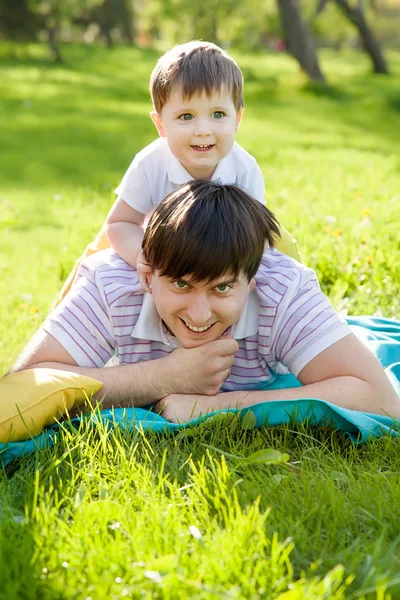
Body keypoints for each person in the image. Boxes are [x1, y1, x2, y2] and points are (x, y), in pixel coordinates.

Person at [13, 181, 400, 423]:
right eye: (181, 284)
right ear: (148, 274)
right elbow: (21, 388)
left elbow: (382, 398)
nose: (199, 315)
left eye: (221, 288)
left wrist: (218, 407)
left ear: (251, 281)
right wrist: (165, 377)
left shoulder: (282, 288)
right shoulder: (111, 283)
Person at [57, 40, 299, 302]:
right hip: (162, 238)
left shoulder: (244, 167)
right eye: (186, 116)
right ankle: (66, 323)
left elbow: (254, 234)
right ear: (161, 125)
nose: (203, 130)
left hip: (229, 246)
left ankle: (305, 316)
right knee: (94, 258)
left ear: (237, 118)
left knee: (282, 253)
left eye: (218, 114)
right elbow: (120, 223)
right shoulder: (151, 163)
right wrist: (144, 256)